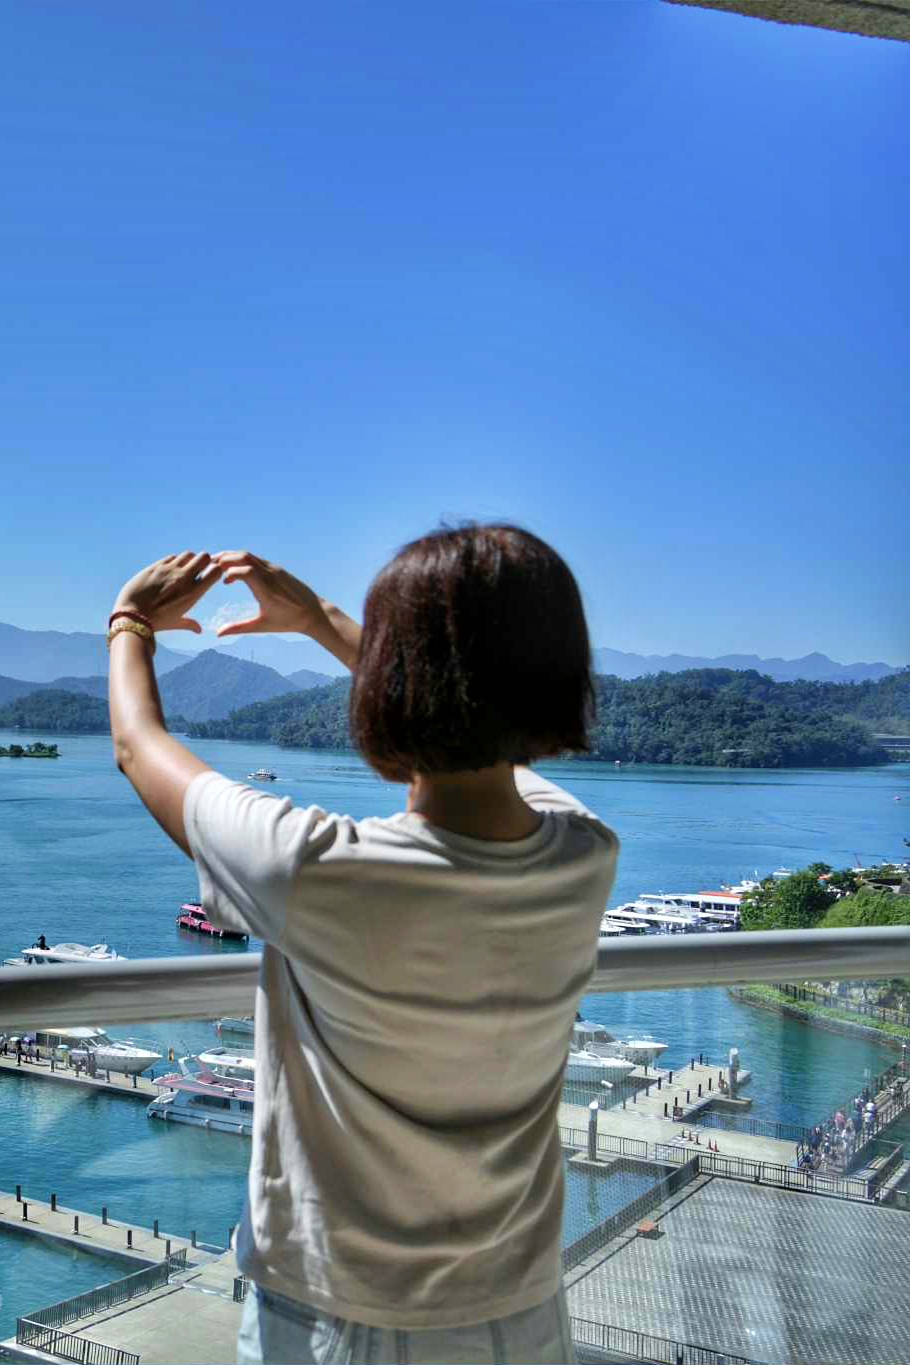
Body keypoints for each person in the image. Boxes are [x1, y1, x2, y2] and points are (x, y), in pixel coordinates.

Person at [107, 527, 616, 1364]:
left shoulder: (322, 872)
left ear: (389, 687)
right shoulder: (584, 853)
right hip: (520, 1305)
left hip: (342, 1321)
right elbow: (499, 754)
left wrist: (130, 622)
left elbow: (140, 747)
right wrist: (328, 621)